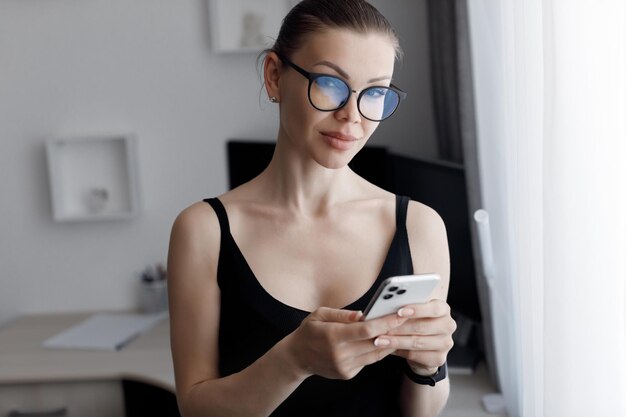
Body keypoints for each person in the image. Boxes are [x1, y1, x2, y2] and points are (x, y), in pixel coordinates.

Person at [167, 1, 456, 416]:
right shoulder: (204, 231)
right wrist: (293, 361)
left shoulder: (419, 227)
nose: (351, 116)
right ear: (274, 76)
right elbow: (196, 409)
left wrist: (428, 367)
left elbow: (422, 412)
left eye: (374, 92)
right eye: (330, 83)